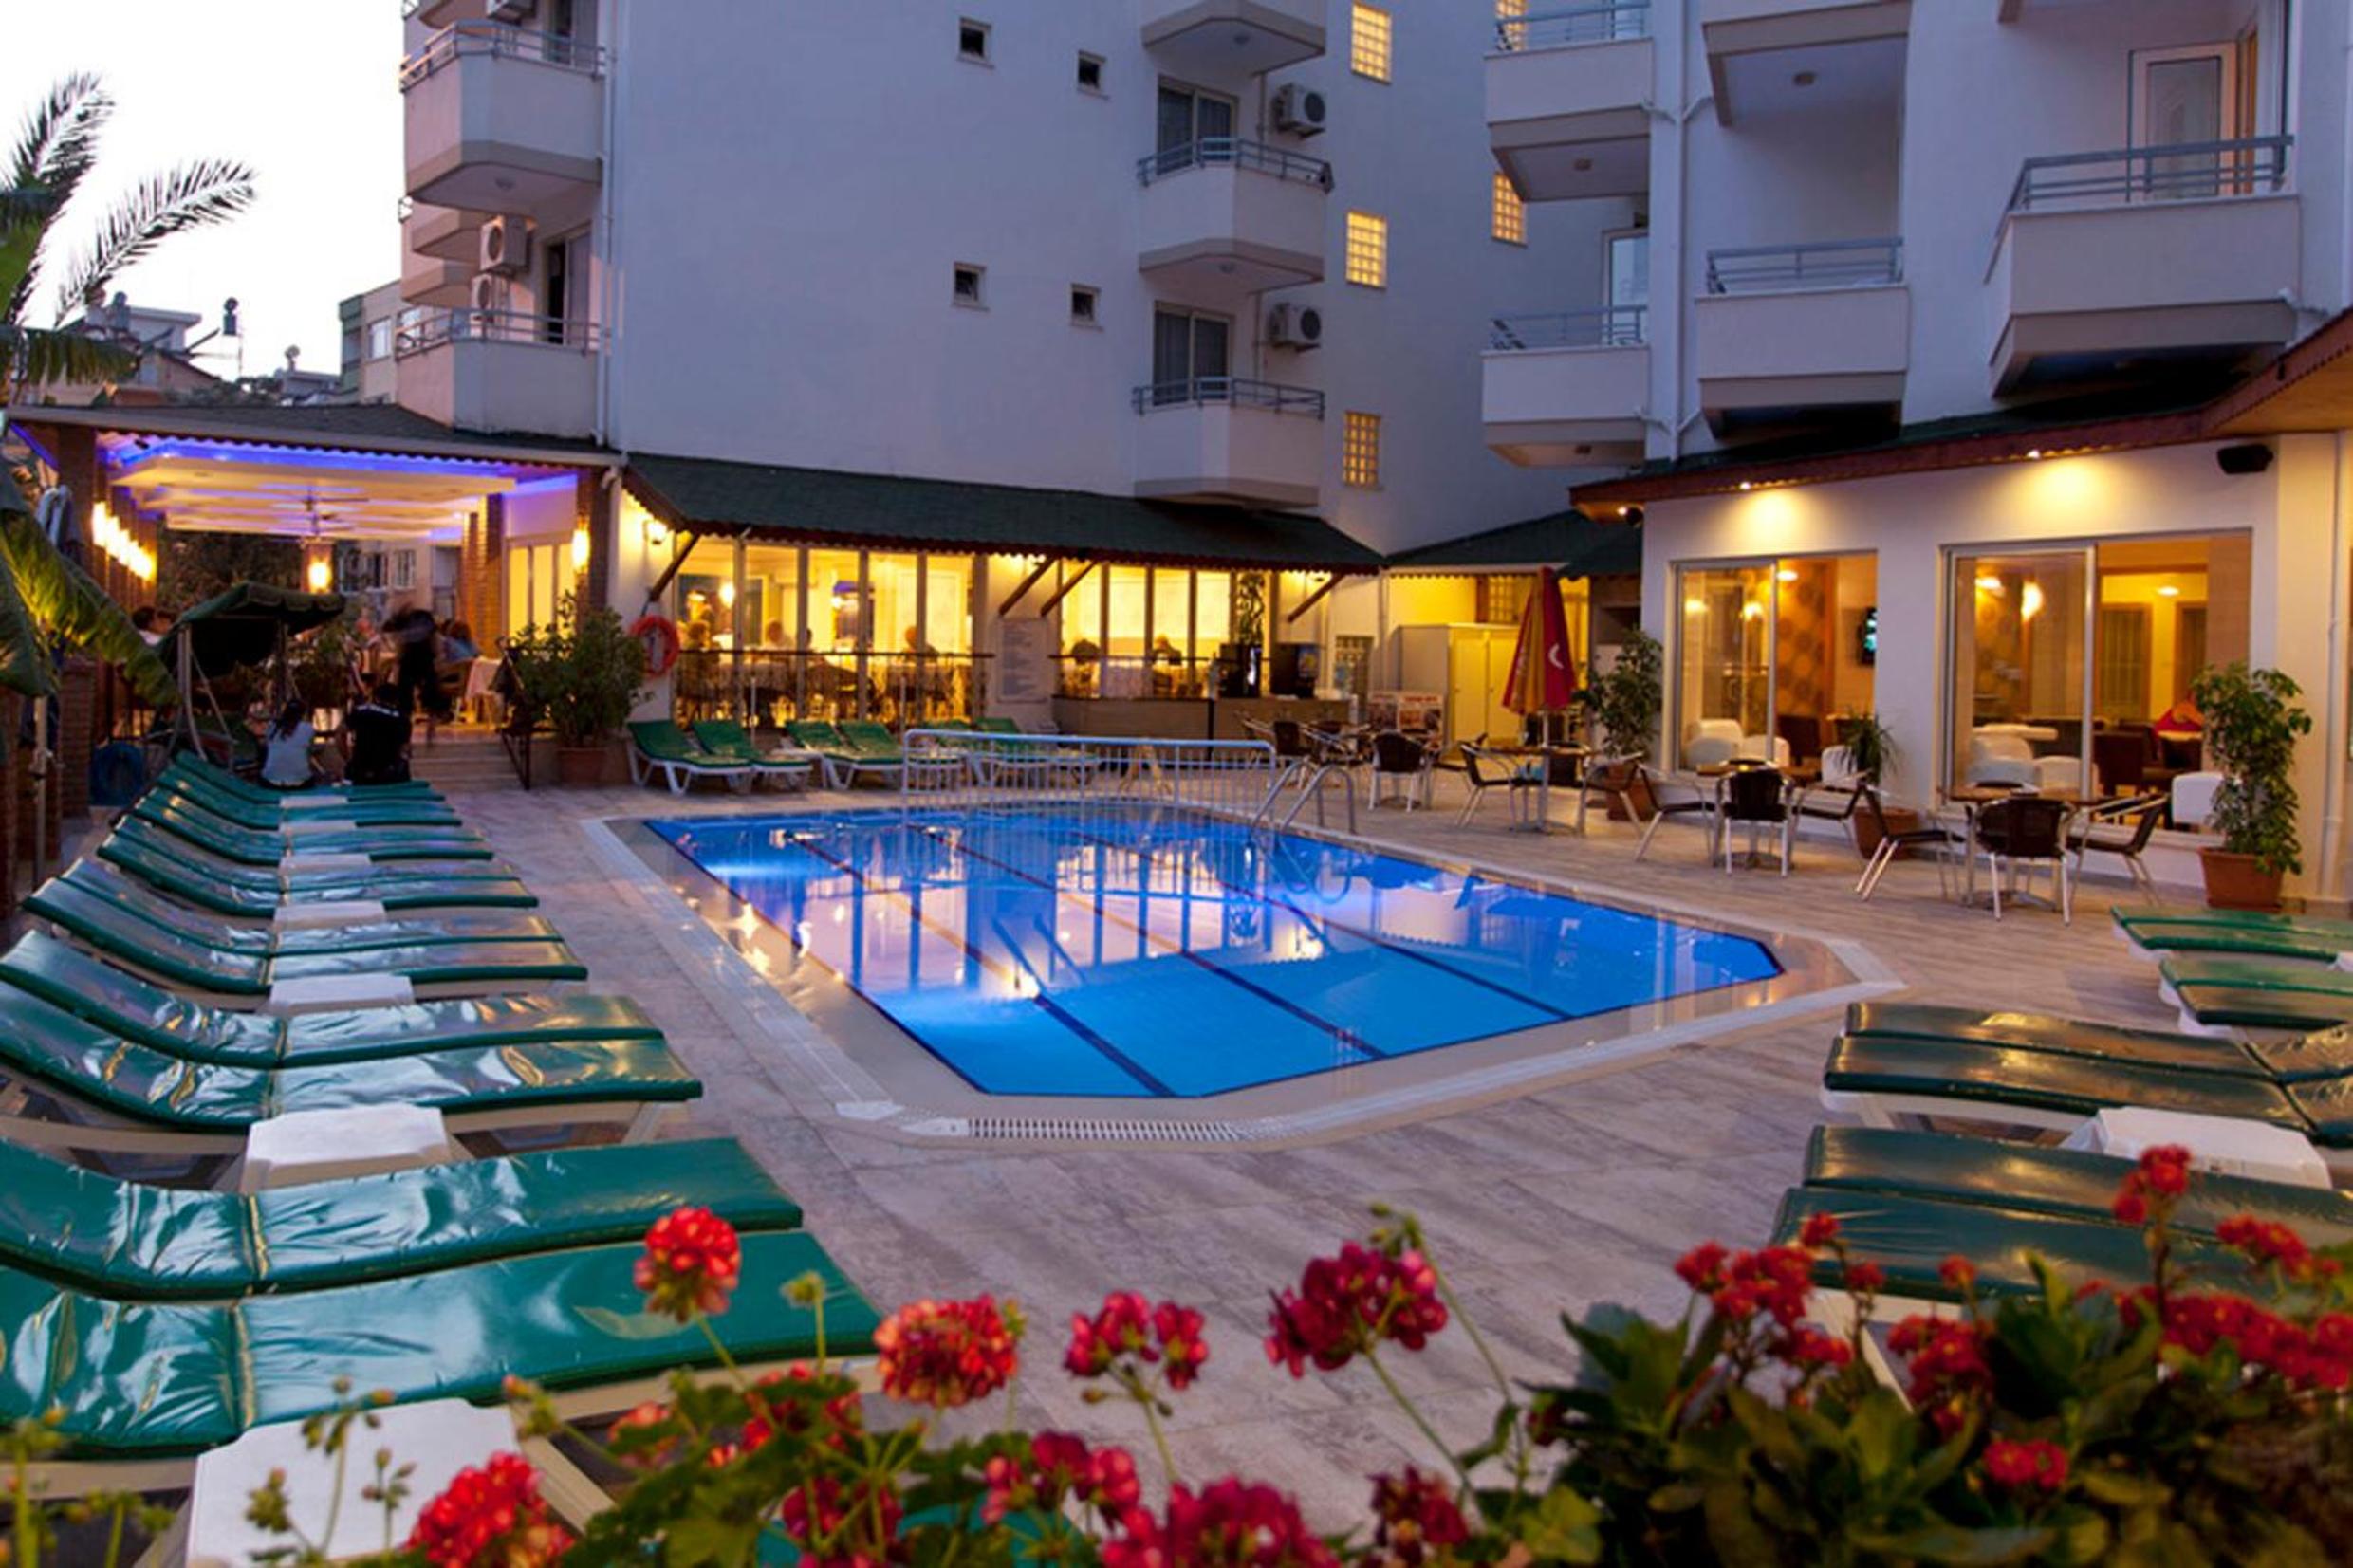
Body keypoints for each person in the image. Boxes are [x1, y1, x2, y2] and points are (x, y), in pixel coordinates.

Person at [384, 601, 449, 722]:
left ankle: (405, 714)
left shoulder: (405, 627)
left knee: (405, 688)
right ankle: (434, 710)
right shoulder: (426, 624)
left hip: (409, 660)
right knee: (430, 685)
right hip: (425, 658)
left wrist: (399, 658)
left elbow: (400, 647)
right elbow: (436, 646)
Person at [343, 682, 414, 786]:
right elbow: (405, 748)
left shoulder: (359, 711)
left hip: (360, 769)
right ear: (396, 700)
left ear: (376, 697)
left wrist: (347, 757)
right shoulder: (401, 718)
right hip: (388, 772)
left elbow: (340, 733)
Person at [259, 699, 317, 789]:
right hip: (300, 782)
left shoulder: (272, 727)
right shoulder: (308, 728)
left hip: (270, 781)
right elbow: (308, 754)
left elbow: (267, 747)